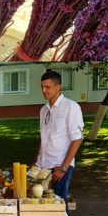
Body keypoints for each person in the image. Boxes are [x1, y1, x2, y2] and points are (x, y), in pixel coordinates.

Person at [33, 70, 83, 204]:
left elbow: (77, 139)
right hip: (43, 165)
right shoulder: (43, 110)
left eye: (47, 87)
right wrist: (35, 162)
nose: (44, 90)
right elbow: (43, 138)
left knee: (59, 205)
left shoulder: (70, 107)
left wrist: (63, 168)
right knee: (41, 204)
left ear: (58, 87)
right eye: (42, 87)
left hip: (59, 166)